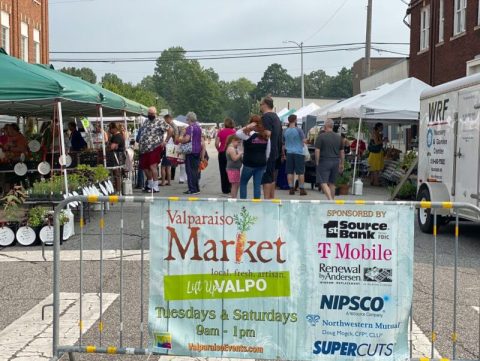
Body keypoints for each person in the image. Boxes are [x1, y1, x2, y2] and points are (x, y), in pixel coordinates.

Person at [236, 115, 271, 200]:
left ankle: (243, 202)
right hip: (261, 164)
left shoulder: (247, 135)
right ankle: (256, 203)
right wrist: (264, 160)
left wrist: (247, 126)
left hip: (249, 163)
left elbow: (237, 133)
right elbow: (268, 151)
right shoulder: (265, 136)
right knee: (257, 185)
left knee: (243, 183)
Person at [138, 106, 171, 193]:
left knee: (153, 166)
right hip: (144, 148)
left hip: (154, 147)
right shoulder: (146, 121)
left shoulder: (160, 121)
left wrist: (165, 141)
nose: (150, 115)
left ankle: (155, 186)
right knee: (145, 167)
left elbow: (170, 130)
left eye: (152, 114)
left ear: (155, 113)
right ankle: (150, 184)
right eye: (149, 113)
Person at [314, 119, 345, 200]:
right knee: (332, 183)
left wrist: (317, 162)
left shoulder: (321, 137)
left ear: (325, 126)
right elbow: (342, 152)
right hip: (335, 161)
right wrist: (342, 164)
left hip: (324, 161)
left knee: (323, 182)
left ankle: (330, 200)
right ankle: (332, 201)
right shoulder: (339, 137)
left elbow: (317, 150)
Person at [259, 96, 281, 199]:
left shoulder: (266, 117)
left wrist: (257, 132)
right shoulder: (276, 117)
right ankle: (271, 200)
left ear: (265, 105)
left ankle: (267, 201)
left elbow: (267, 134)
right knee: (272, 177)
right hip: (275, 150)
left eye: (261, 104)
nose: (260, 106)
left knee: (266, 177)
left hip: (268, 151)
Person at [282, 114, 307, 196]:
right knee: (300, 172)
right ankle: (302, 189)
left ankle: (291, 188)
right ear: (295, 120)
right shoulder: (299, 130)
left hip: (289, 153)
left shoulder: (285, 131)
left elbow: (283, 144)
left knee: (289, 172)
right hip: (299, 153)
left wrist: (283, 154)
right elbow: (304, 141)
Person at [178, 111, 202, 195]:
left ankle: (192, 189)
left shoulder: (189, 128)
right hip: (197, 150)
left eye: (187, 119)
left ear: (189, 119)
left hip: (190, 151)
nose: (186, 121)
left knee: (189, 170)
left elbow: (187, 139)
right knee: (195, 170)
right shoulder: (198, 128)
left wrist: (181, 137)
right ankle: (196, 188)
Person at [215, 118, 236, 195]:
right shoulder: (234, 132)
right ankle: (231, 187)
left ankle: (224, 189)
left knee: (222, 170)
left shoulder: (221, 132)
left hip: (222, 152)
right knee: (231, 170)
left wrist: (219, 150)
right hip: (231, 152)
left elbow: (216, 143)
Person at [108, 122, 126, 194]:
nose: (109, 130)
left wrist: (108, 147)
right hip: (117, 157)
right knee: (116, 174)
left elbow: (112, 147)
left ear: (114, 129)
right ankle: (117, 189)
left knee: (116, 174)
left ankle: (118, 190)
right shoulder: (116, 136)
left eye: (110, 128)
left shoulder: (117, 136)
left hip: (117, 157)